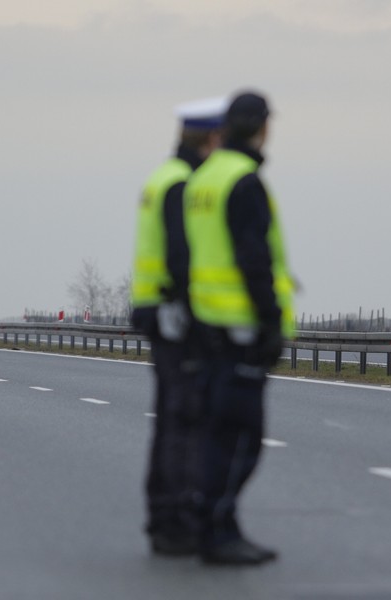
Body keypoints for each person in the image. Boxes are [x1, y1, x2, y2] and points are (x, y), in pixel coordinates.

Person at [183, 90, 296, 566]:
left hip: (206, 326)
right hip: (241, 329)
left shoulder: (203, 178)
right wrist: (270, 322)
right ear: (262, 126)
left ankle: (216, 524)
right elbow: (254, 259)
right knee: (242, 439)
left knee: (218, 433)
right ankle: (217, 530)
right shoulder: (243, 181)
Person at [131, 96, 227, 556]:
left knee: (174, 417)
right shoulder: (181, 184)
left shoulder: (163, 177)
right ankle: (172, 521)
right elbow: (181, 256)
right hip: (174, 318)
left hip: (158, 312)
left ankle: (165, 517)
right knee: (183, 419)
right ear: (211, 139)